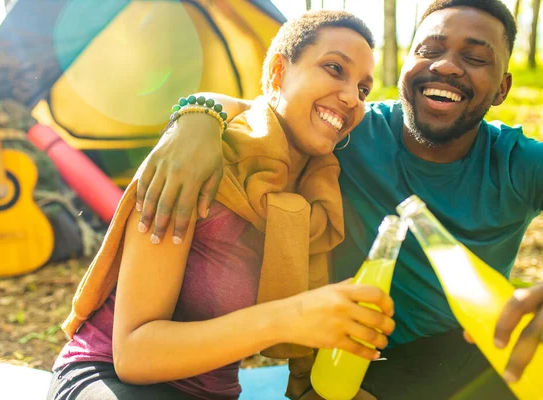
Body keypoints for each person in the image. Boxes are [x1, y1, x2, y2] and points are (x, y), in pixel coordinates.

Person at [133, 0, 543, 398]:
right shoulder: (351, 131)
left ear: (503, 88)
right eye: (429, 49)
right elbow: (277, 111)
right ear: (404, 67)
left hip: (469, 352)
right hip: (354, 363)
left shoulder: (517, 162)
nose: (446, 65)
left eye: (475, 58)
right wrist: (199, 117)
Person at [47, 10, 396, 400]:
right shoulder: (197, 162)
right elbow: (134, 354)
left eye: (364, 89)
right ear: (279, 73)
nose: (351, 97)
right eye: (334, 69)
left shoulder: (320, 194)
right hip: (109, 376)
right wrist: (290, 318)